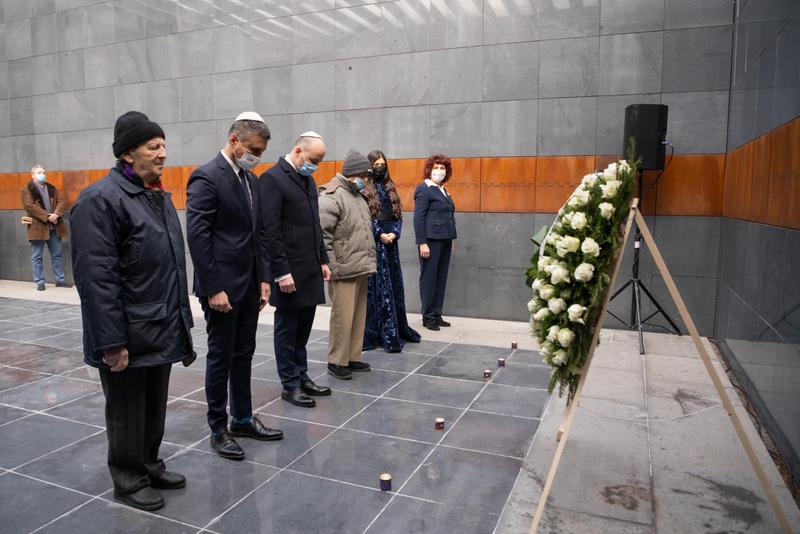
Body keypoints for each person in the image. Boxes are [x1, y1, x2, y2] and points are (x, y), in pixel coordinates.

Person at [70, 111, 194, 511]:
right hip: (125, 330)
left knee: (153, 403)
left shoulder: (154, 195)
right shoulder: (100, 201)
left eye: (163, 145)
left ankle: (148, 463)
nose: (163, 154)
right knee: (126, 407)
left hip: (158, 322)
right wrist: (111, 341)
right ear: (128, 153)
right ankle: (127, 478)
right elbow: (97, 279)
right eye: (153, 146)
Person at [186, 111, 282, 462]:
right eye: (253, 148)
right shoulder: (206, 177)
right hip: (221, 288)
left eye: (261, 151)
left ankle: (242, 418)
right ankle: (218, 427)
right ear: (234, 141)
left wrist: (264, 278)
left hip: (249, 285)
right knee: (221, 356)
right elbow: (198, 237)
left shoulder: (251, 180)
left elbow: (258, 235)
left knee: (244, 354)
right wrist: (213, 288)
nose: (257, 155)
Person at [259, 132, 332, 407]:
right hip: (289, 270)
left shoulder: (308, 179)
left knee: (303, 328)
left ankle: (301, 375)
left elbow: (315, 224)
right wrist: (280, 272)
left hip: (310, 267)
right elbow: (270, 230)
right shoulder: (272, 179)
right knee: (287, 329)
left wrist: (323, 259)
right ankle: (289, 384)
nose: (316, 165)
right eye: (314, 159)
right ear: (299, 150)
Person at [318, 150, 377, 379]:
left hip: (360, 265)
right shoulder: (332, 195)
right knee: (342, 317)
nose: (367, 180)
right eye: (364, 175)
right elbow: (324, 236)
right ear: (354, 173)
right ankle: (336, 361)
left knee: (358, 315)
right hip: (342, 268)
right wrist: (331, 266)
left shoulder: (357, 195)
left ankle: (353, 357)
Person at [362, 151, 421, 352]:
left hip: (391, 245)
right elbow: (365, 217)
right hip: (375, 244)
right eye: (376, 164)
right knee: (377, 287)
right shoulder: (364, 188)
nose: (380, 167)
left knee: (392, 286)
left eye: (382, 163)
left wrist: (394, 233)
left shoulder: (390, 186)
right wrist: (380, 234)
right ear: (370, 166)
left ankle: (395, 328)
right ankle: (375, 331)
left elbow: (397, 214)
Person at [413, 154, 457, 331]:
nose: (439, 171)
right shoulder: (424, 188)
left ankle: (437, 314)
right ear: (429, 170)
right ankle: (428, 317)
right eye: (436, 168)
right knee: (429, 279)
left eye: (442, 168)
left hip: (445, 240)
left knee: (440, 279)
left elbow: (449, 216)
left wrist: (451, 238)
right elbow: (419, 218)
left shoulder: (443, 190)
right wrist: (422, 243)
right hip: (430, 241)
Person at [21, 164, 68, 290]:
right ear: (33, 175)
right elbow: (29, 206)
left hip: (54, 227)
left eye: (43, 172)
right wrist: (47, 216)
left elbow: (61, 202)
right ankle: (40, 282)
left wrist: (56, 214)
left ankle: (60, 280)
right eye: (39, 172)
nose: (42, 175)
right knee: (37, 256)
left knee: (57, 254)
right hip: (38, 228)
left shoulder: (52, 188)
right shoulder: (27, 189)